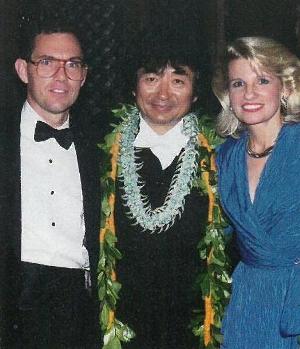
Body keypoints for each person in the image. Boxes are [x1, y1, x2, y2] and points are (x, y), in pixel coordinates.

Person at [98, 41, 227, 348]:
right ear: (134, 86)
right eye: (152, 79)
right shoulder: (101, 154)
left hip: (193, 328)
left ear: (195, 93)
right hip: (121, 326)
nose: (163, 95)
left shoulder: (221, 156)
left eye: (178, 81)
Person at [0, 19, 100, 348]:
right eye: (46, 62)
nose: (61, 76)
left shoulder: (100, 144)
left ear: (84, 76)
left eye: (72, 64)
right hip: (12, 300)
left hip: (78, 308)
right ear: (23, 70)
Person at [213, 36, 300, 349]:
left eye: (262, 80)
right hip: (247, 303)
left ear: (285, 87)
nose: (249, 93)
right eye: (238, 83)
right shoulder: (224, 158)